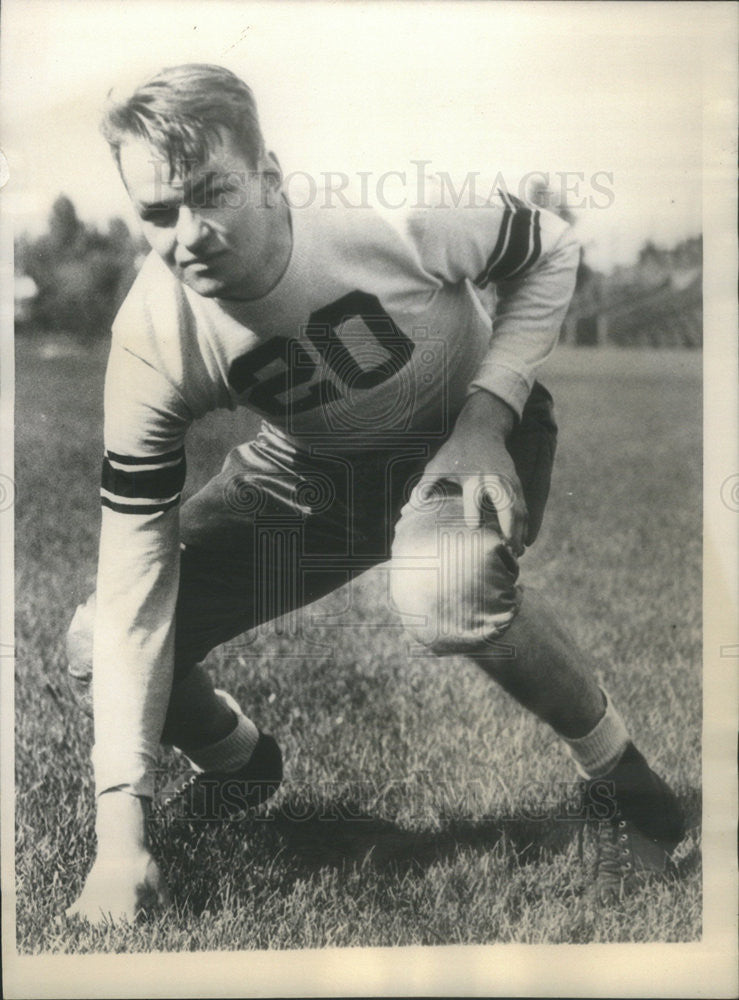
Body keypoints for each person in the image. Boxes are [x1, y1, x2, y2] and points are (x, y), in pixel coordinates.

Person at [64, 64, 685, 924]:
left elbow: (548, 246)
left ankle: (619, 772)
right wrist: (116, 838)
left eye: (213, 193)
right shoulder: (152, 335)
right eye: (158, 212)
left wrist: (483, 420)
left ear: (271, 174)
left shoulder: (389, 212)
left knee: (444, 591)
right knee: (96, 636)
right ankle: (239, 762)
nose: (191, 233)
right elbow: (136, 571)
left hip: (463, 431)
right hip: (309, 470)